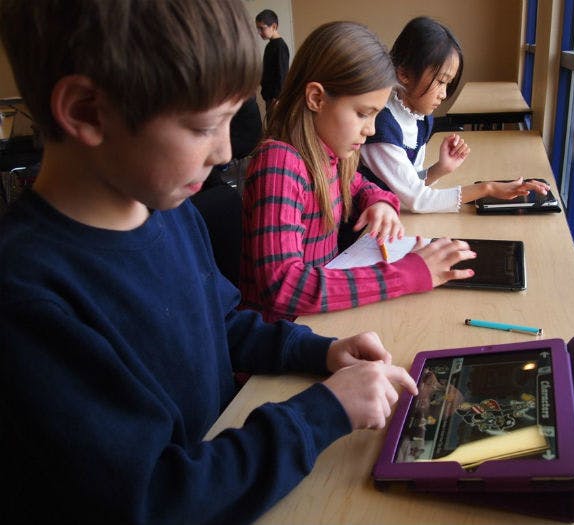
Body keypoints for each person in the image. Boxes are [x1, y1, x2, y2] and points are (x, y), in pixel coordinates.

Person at [0, 2, 418, 524]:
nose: (225, 153)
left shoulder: (168, 213)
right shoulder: (28, 299)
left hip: (226, 454)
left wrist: (321, 352)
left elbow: (222, 323)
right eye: (203, 126)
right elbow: (153, 496)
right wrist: (322, 414)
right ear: (86, 111)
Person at [239, 21, 476, 323]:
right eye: (363, 113)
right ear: (317, 99)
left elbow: (359, 185)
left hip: (317, 320)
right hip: (281, 337)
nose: (372, 129)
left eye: (376, 114)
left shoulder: (328, 154)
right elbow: (284, 286)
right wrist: (406, 274)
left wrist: (378, 201)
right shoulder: (280, 163)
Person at [359, 16, 549, 213]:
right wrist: (487, 188)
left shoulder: (420, 119)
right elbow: (418, 200)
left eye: (448, 84)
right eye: (441, 81)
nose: (444, 94)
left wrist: (440, 168)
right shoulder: (381, 127)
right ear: (404, 74)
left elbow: (409, 184)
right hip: (364, 230)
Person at [255, 9, 290, 114]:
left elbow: (282, 74)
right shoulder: (269, 45)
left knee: (276, 128)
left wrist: (278, 98)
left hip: (276, 99)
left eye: (262, 28)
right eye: (258, 28)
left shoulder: (280, 46)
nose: (259, 32)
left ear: (274, 26)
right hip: (269, 97)